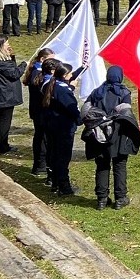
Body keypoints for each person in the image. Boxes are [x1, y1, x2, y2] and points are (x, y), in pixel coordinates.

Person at [82, 66, 140, 210]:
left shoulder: (96, 92)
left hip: (98, 134)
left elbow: (85, 110)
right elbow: (127, 112)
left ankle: (101, 199)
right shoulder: (124, 92)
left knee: (102, 166)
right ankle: (120, 198)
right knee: (120, 166)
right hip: (118, 135)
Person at [41, 61, 81, 196]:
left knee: (54, 154)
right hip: (63, 128)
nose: (71, 75)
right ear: (64, 75)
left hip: (51, 125)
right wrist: (80, 120)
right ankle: (65, 187)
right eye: (69, 73)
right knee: (63, 158)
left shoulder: (51, 84)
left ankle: (55, 181)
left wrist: (82, 68)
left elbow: (70, 78)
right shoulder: (63, 91)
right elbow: (71, 108)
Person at [0, 34, 26, 156]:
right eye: (6, 43)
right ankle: (1, 146)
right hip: (5, 96)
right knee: (4, 122)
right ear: (0, 46)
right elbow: (14, 73)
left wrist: (11, 55)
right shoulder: (1, 62)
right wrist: (24, 64)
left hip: (1, 95)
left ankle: (0, 145)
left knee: (1, 121)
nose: (8, 45)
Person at [24, 48, 55, 178]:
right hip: (41, 112)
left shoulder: (37, 71)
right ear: (42, 59)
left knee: (41, 137)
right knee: (43, 139)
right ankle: (41, 165)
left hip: (38, 111)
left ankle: (40, 165)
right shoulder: (38, 74)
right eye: (51, 59)